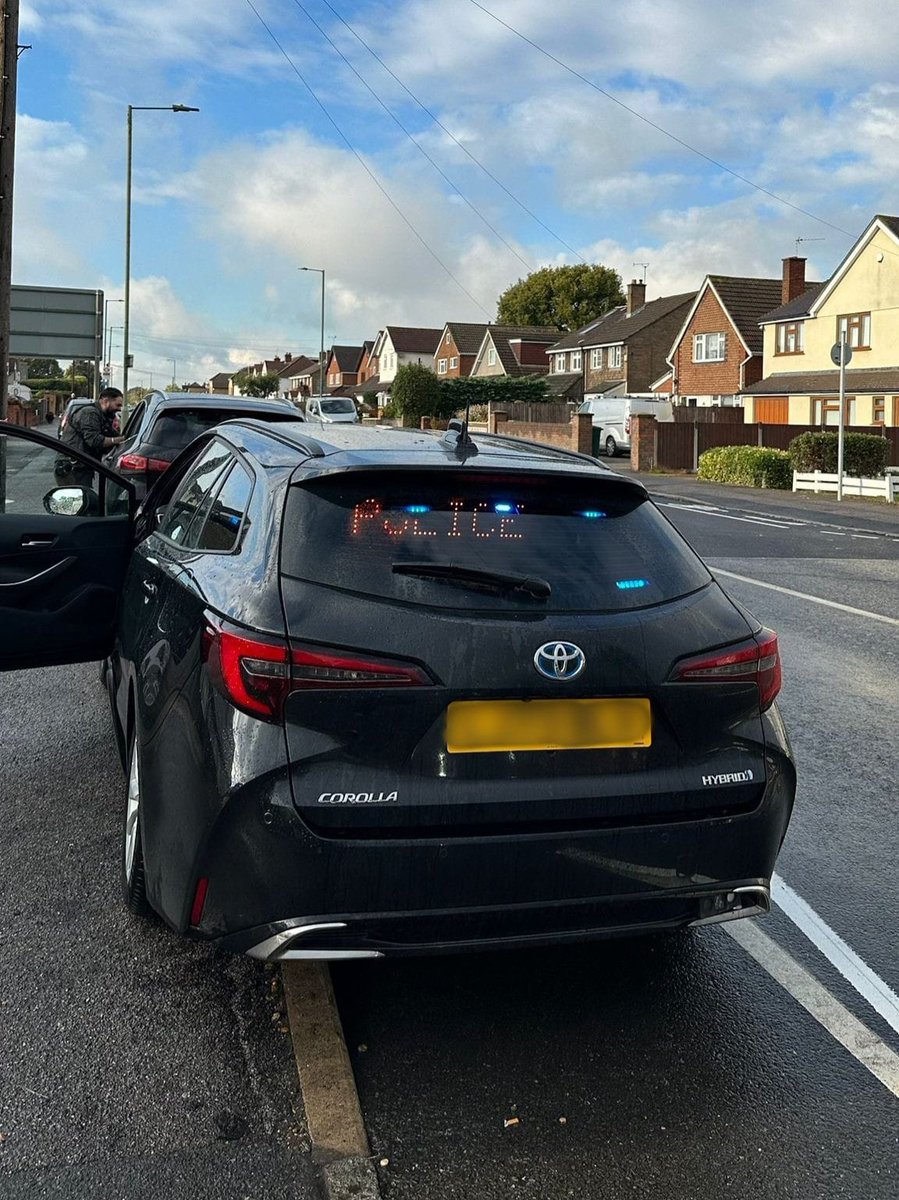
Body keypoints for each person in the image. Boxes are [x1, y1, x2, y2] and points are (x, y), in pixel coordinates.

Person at [56, 388, 127, 487]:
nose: (119, 409)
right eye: (117, 405)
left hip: (80, 465)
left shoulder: (102, 416)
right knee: (79, 499)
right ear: (106, 401)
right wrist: (118, 440)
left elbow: (111, 434)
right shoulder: (90, 413)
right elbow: (94, 440)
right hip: (72, 467)